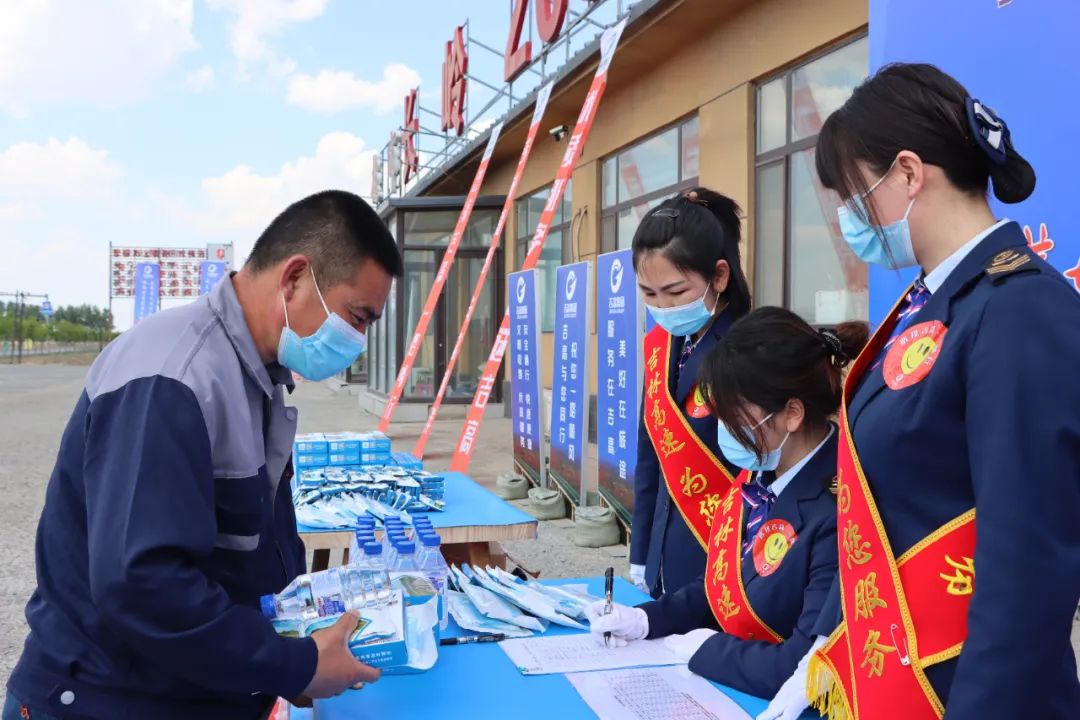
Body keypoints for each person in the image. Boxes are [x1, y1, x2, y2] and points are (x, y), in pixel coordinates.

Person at [4, 190, 403, 720]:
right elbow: (142, 582)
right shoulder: (172, 376)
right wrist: (290, 663)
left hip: (194, 689)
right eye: (357, 317)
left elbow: (248, 544)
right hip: (110, 700)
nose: (358, 339)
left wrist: (290, 647)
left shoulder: (253, 376)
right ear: (294, 278)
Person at [761, 63, 1080, 720]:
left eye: (853, 196)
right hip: (893, 677)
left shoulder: (1018, 310)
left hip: (970, 691)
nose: (849, 220)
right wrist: (819, 652)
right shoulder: (934, 309)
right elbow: (873, 514)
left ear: (908, 173)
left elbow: (1025, 570)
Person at [589, 308, 867, 698]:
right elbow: (723, 586)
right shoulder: (760, 475)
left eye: (734, 415)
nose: (724, 432)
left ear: (791, 413)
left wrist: (708, 649)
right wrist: (644, 620)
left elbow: (806, 666)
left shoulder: (840, 508)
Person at [629, 188, 753, 598]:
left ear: (719, 276)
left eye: (676, 292)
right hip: (665, 553)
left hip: (724, 559)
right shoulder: (661, 347)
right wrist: (641, 551)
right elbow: (650, 452)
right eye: (649, 294)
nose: (662, 307)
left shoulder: (750, 348)